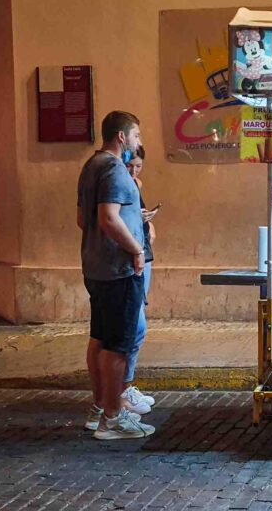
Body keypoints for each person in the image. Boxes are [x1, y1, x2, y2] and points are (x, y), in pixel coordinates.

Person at [77, 110, 155, 440]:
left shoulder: (90, 166)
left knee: (101, 339)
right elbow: (108, 218)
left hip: (95, 267)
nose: (139, 142)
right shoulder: (114, 169)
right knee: (117, 346)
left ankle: (100, 409)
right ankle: (113, 417)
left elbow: (85, 220)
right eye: (136, 135)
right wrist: (136, 249)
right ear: (121, 137)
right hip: (118, 271)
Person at [121, 145, 158, 415]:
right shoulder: (118, 186)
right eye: (130, 166)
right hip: (133, 261)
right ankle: (119, 394)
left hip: (144, 258)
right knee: (134, 327)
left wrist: (149, 223)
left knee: (136, 326)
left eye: (138, 166)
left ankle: (124, 389)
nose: (134, 171)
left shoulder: (135, 185)